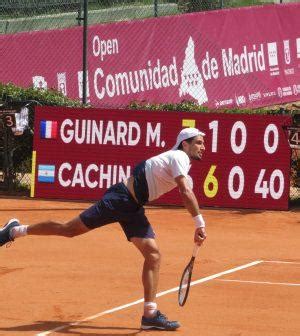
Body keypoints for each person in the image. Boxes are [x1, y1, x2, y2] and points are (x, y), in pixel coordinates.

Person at [0, 127, 207, 331]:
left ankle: (150, 315)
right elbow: (184, 190)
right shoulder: (179, 156)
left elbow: (186, 190)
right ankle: (15, 230)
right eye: (198, 142)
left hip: (133, 208)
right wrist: (199, 223)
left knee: (153, 255)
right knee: (68, 229)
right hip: (120, 199)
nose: (203, 147)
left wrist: (198, 222)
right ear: (184, 143)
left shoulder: (181, 164)